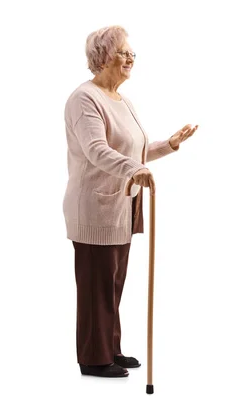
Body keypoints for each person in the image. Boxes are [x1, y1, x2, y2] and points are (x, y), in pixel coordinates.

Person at [63, 25, 198, 378]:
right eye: (123, 52)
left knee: (112, 282)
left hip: (123, 205)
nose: (130, 59)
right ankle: (94, 359)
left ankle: (110, 347)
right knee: (97, 285)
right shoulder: (84, 98)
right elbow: (96, 151)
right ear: (103, 56)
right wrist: (134, 167)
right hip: (95, 206)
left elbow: (132, 152)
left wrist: (168, 145)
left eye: (131, 53)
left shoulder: (122, 100)